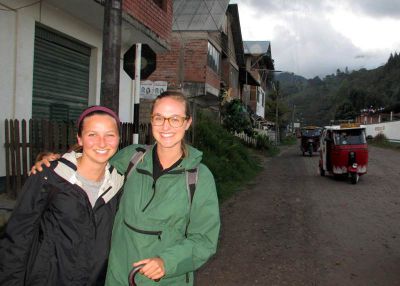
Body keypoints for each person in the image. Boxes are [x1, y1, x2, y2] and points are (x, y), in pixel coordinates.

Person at [105, 90, 220, 285]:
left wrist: (166, 262)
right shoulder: (132, 158)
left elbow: (204, 240)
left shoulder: (199, 177)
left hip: (168, 280)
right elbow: (92, 169)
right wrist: (58, 162)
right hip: (118, 276)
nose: (166, 126)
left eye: (175, 119)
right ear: (152, 121)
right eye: (159, 118)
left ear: (187, 123)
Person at [0, 106, 124, 286]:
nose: (102, 142)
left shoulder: (118, 186)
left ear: (119, 139)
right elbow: (17, 239)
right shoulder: (49, 177)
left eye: (110, 135)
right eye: (92, 134)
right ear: (79, 139)